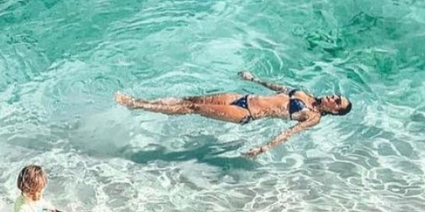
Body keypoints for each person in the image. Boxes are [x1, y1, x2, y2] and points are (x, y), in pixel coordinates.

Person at [115, 71, 352, 157]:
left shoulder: (313, 117)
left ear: (335, 111)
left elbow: (290, 133)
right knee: (191, 100)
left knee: (193, 109)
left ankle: (136, 105)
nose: (333, 96)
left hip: (244, 112)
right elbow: (277, 88)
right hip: (242, 96)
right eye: (336, 95)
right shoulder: (306, 94)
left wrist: (263, 148)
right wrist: (254, 79)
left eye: (337, 101)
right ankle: (142, 103)